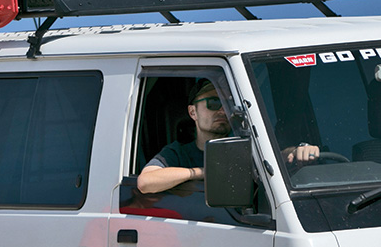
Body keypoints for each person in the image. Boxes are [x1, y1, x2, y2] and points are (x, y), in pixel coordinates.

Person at [137, 80, 320, 194]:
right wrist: (202, 172)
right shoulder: (178, 153)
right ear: (193, 112)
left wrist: (299, 150)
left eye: (228, 104)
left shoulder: (246, 145)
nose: (223, 110)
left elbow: (277, 156)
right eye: (214, 102)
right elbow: (145, 182)